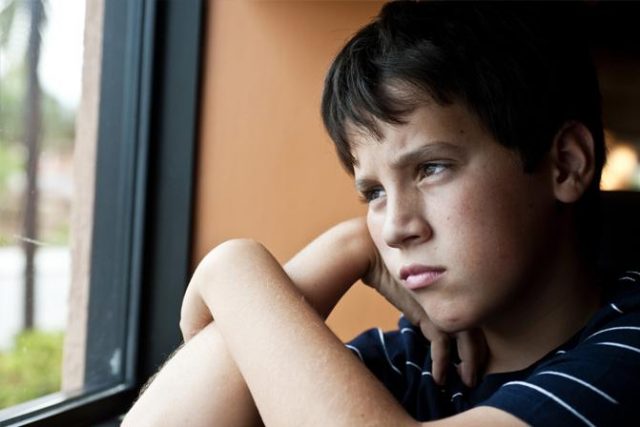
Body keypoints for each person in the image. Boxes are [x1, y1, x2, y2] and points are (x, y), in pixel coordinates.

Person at [123, 1, 640, 425]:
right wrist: (347, 246)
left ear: (566, 165)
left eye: (432, 168)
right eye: (372, 193)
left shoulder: (627, 347)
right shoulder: (411, 361)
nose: (394, 228)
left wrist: (234, 269)